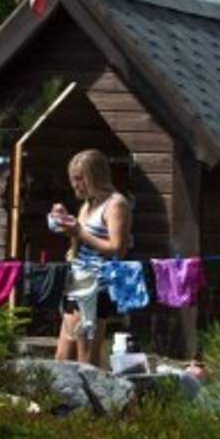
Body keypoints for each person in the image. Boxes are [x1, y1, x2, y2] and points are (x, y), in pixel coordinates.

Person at [53, 149, 131, 365]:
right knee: (62, 357)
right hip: (77, 282)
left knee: (85, 359)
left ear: (95, 176)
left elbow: (117, 249)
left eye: (79, 179)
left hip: (96, 287)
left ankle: (93, 398)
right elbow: (80, 243)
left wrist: (80, 232)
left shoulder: (116, 204)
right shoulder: (87, 205)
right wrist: (68, 230)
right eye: (73, 179)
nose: (75, 185)